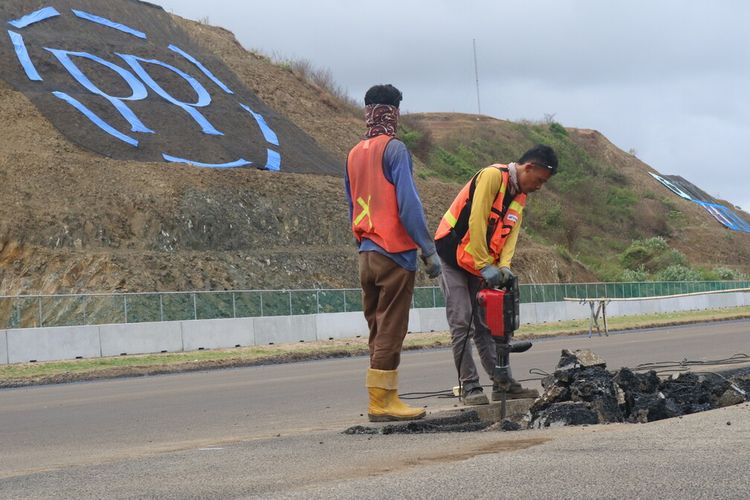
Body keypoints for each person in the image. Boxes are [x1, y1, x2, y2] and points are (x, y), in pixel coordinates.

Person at [345, 84, 442, 422]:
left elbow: (350, 203)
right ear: (394, 112)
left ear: (368, 110)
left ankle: (382, 398)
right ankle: (383, 403)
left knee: (376, 326)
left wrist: (363, 244)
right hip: (394, 252)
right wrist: (428, 251)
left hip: (366, 252)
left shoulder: (355, 152)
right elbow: (409, 205)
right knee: (392, 328)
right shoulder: (395, 149)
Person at [434, 144, 559, 405]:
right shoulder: (493, 176)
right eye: (539, 180)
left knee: (487, 326)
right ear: (529, 167)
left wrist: (504, 266)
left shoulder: (520, 196)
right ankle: (470, 387)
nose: (539, 187)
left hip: (481, 262)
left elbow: (510, 235)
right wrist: (483, 264)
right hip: (453, 254)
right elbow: (477, 220)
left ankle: (502, 384)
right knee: (462, 321)